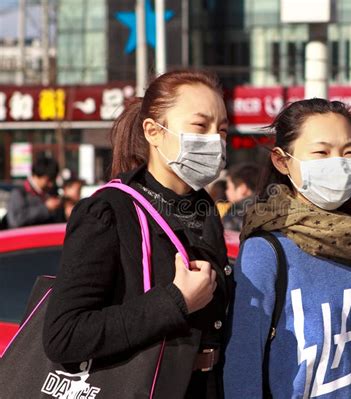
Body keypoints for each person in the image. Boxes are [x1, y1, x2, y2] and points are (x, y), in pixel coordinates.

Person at [43, 70, 233, 398]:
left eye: (223, 130)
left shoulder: (203, 209)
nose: (215, 140)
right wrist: (175, 301)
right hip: (140, 388)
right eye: (200, 126)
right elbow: (64, 334)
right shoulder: (108, 211)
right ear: (153, 131)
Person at [224, 99, 351, 398]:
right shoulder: (267, 249)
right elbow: (243, 362)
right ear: (282, 160)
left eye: (349, 151)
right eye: (321, 152)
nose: (337, 162)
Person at [6, 156, 61, 228]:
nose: (51, 184)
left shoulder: (52, 192)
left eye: (53, 180)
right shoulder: (19, 193)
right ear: (36, 175)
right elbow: (15, 221)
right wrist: (45, 208)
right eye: (48, 180)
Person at [222, 163, 259, 231]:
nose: (226, 192)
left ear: (242, 188)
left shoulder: (234, 217)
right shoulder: (273, 208)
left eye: (228, 187)